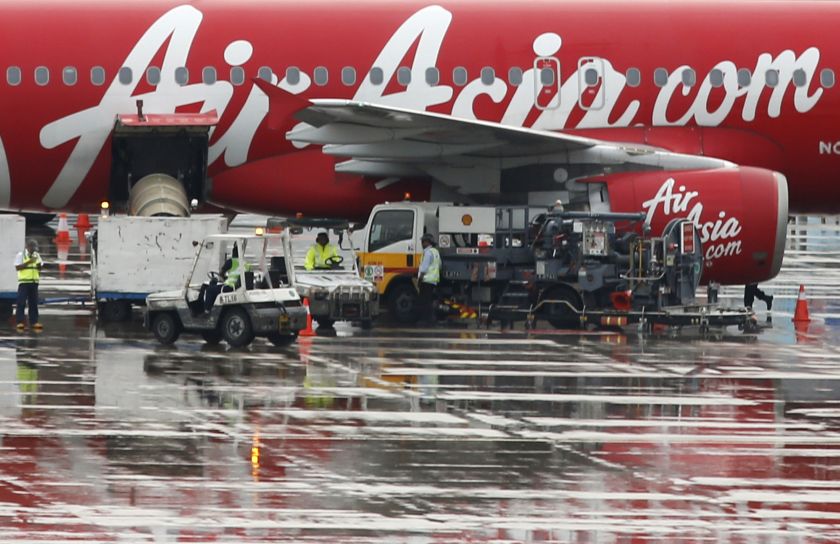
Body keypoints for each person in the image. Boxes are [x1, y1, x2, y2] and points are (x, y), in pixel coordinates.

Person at [14, 239, 43, 331]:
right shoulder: (21, 255)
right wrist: (29, 262)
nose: (34, 250)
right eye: (32, 248)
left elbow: (40, 267)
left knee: (33, 303)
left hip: (34, 283)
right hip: (24, 283)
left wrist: (38, 265)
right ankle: (20, 322)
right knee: (21, 303)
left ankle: (34, 321)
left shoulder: (36, 255)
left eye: (35, 248)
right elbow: (17, 267)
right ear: (28, 247)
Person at [417, 233, 441, 325]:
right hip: (433, 280)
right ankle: (431, 319)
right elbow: (439, 265)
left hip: (426, 280)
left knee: (424, 301)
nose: (422, 244)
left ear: (427, 242)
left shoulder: (427, 252)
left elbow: (424, 268)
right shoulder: (435, 252)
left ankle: (425, 320)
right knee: (429, 301)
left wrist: (419, 280)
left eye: (423, 241)